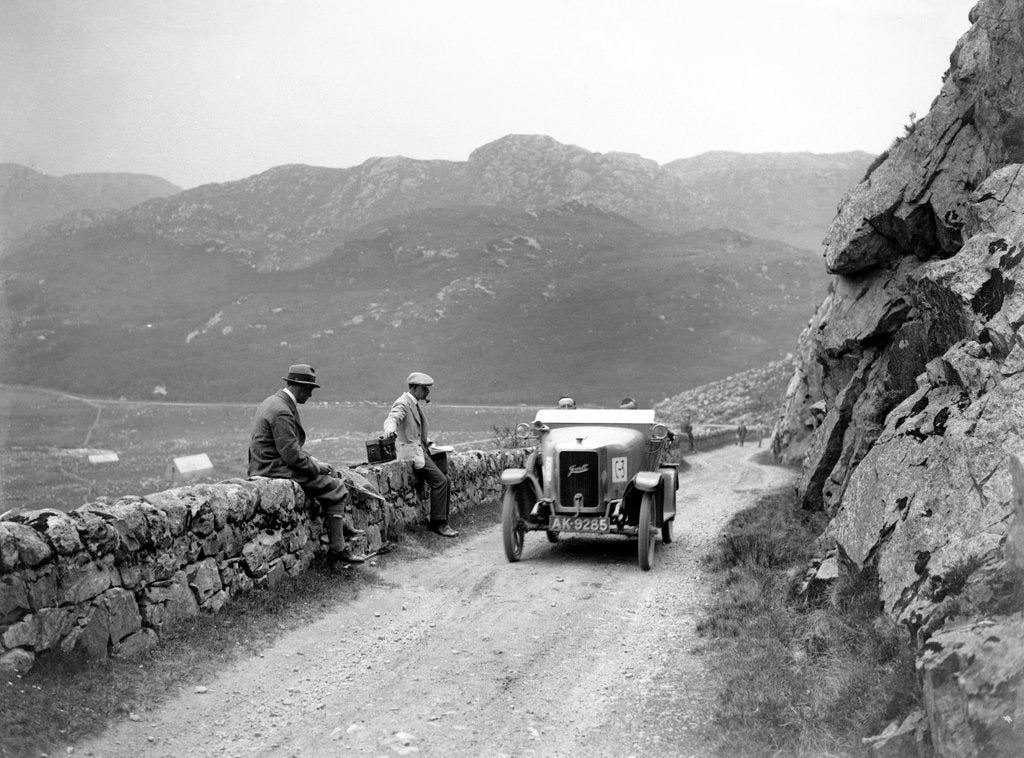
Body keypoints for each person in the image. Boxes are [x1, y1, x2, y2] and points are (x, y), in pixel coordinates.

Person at [248, 363, 365, 565]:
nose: (310, 396)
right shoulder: (282, 410)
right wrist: (317, 467)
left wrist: (315, 461)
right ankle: (338, 547)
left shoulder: (273, 402)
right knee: (335, 487)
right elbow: (292, 456)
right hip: (272, 468)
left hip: (266, 463)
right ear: (301, 387)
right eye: (310, 390)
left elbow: (288, 447)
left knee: (329, 477)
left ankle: (339, 522)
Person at [382, 372, 458, 538]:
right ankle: (439, 523)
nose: (427, 392)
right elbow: (392, 419)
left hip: (421, 450)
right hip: (412, 454)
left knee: (446, 480)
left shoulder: (413, 403)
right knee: (440, 481)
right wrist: (390, 431)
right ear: (415, 388)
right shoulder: (403, 403)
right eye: (425, 388)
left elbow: (415, 431)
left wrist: (429, 442)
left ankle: (443, 519)